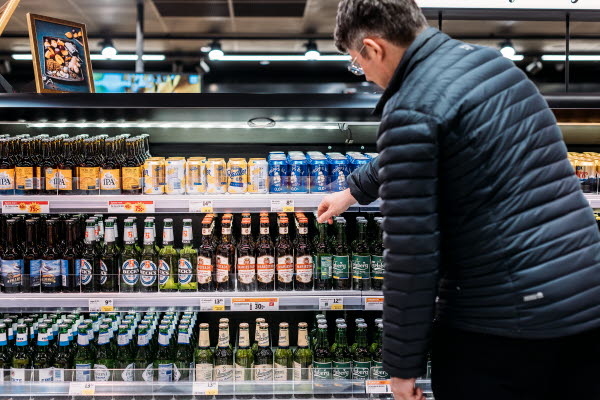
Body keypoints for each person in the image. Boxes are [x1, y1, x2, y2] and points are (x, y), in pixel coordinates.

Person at [318, 1, 600, 400]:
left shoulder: (410, 106)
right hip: (586, 301)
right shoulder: (493, 67)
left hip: (503, 321)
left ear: (374, 48)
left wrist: (402, 367)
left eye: (355, 62)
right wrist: (352, 191)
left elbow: (412, 253)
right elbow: (428, 139)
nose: (362, 74)